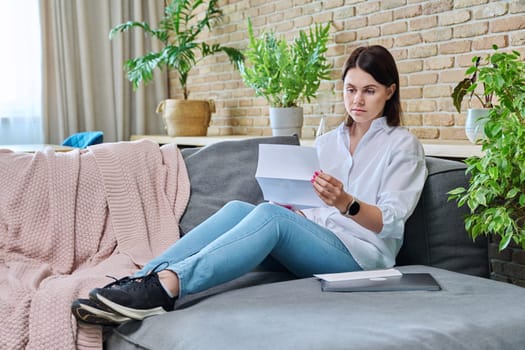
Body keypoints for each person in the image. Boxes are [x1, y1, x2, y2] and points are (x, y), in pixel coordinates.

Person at [71, 45, 427, 326]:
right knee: (243, 209)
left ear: (389, 91)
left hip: (362, 260)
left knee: (271, 217)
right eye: (350, 90)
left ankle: (167, 287)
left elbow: (390, 222)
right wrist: (296, 205)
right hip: (316, 241)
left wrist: (346, 203)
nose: (357, 101)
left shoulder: (403, 145)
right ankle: (140, 279)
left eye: (369, 91)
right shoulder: (328, 141)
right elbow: (312, 208)